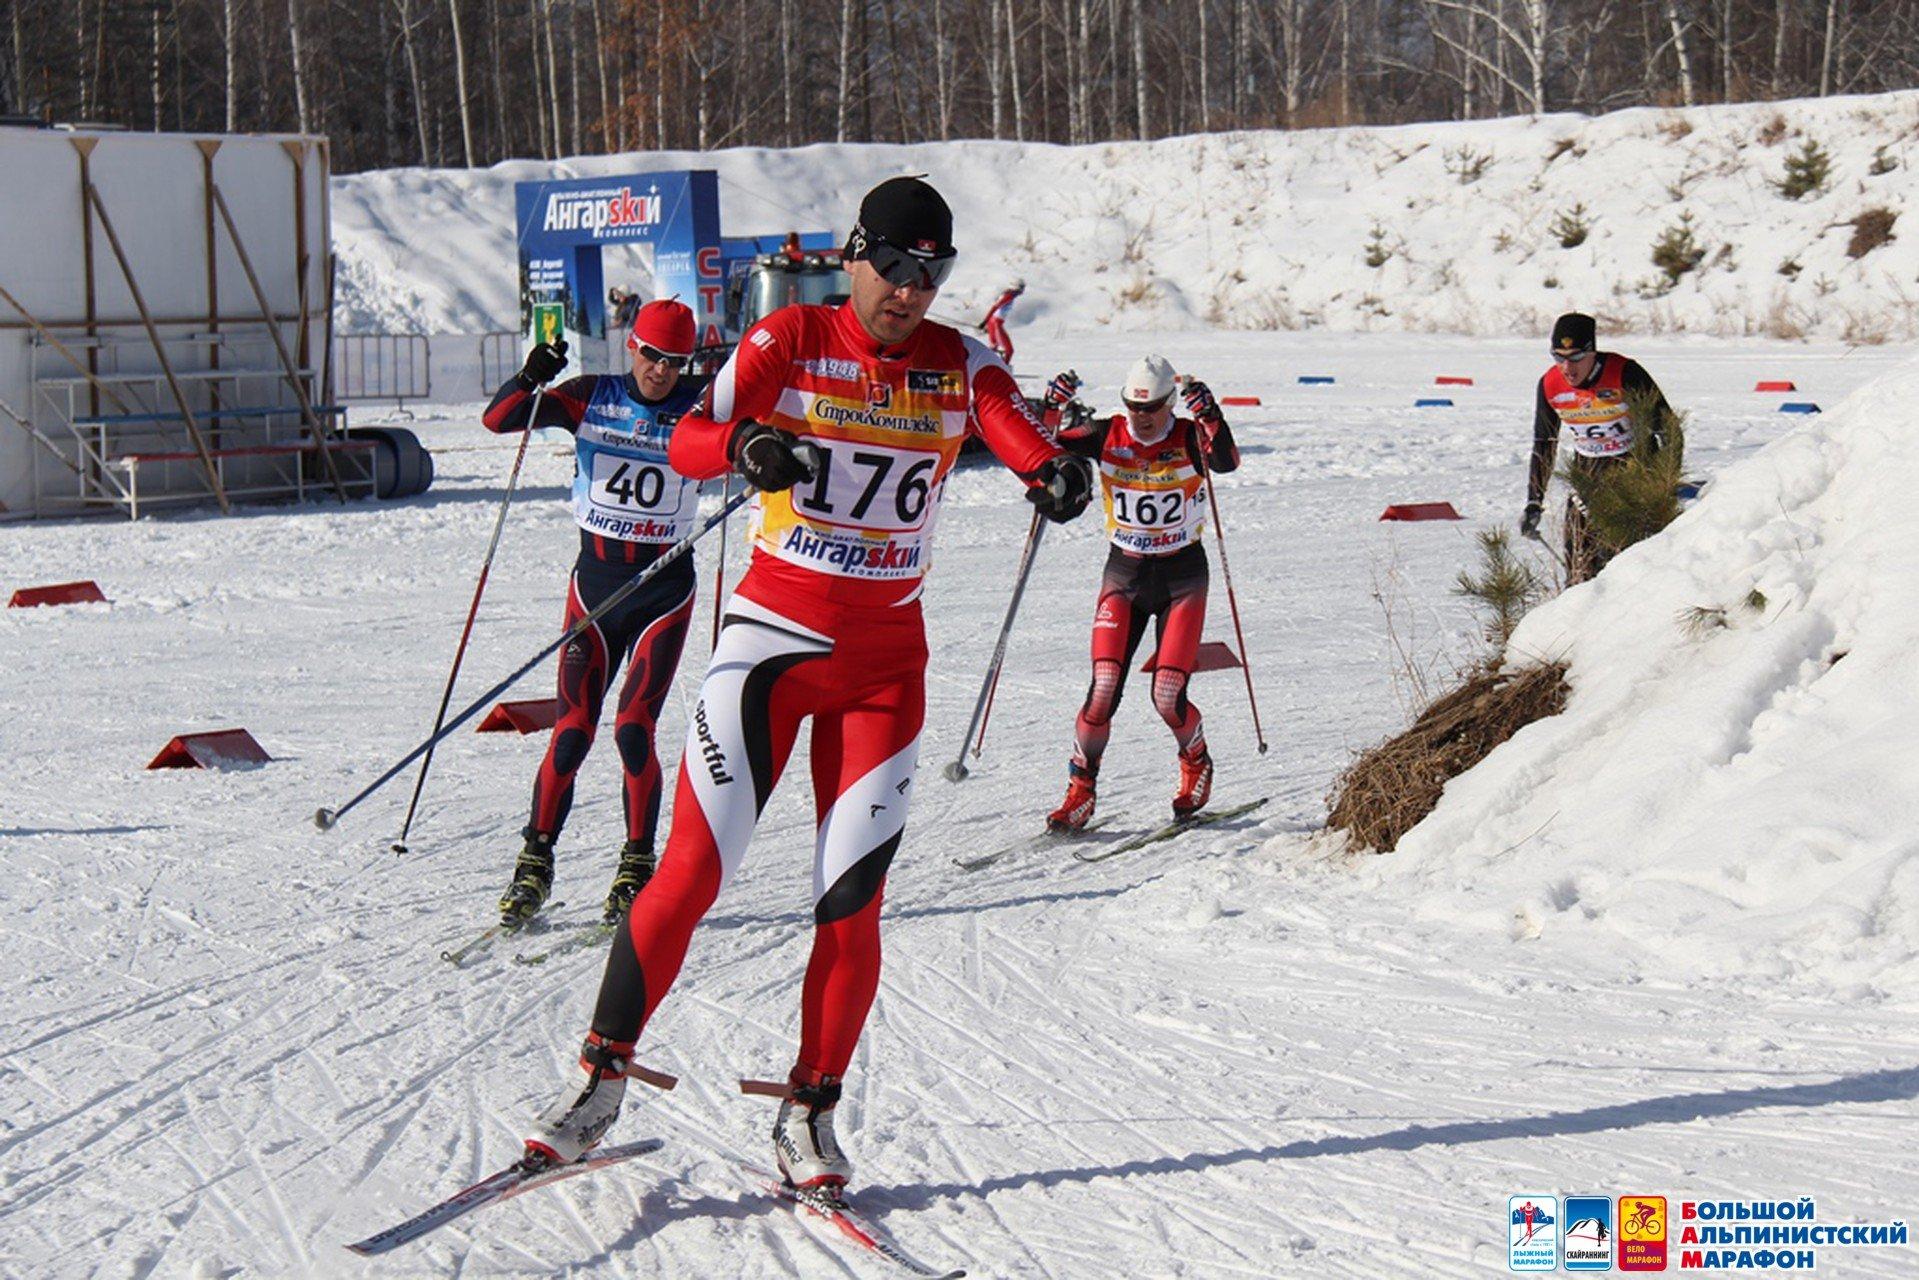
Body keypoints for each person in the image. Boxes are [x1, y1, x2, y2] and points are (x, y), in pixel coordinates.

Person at [522, 177, 1093, 1190]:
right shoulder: (790, 336)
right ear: (853, 255)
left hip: (883, 674)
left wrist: (1050, 471)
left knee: (852, 899)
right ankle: (597, 1078)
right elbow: (692, 438)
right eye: (897, 264)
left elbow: (1009, 423)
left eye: (934, 269)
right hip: (769, 650)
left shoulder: (958, 363)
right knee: (693, 870)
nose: (911, 289)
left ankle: (809, 1112)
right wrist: (743, 443)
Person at [481, 300, 707, 927]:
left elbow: (767, 427)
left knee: (633, 728)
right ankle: (534, 862)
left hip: (664, 592)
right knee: (572, 729)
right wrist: (532, 377)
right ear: (632, 347)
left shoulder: (703, 403)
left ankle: (637, 864)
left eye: (675, 361)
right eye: (653, 356)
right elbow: (498, 420)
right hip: (595, 591)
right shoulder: (590, 395)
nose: (662, 371)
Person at [1042, 356, 1239, 833]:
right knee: (1104, 686)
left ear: (1170, 402)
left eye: (1150, 407)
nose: (1140, 416)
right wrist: (1051, 407)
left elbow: (1226, 462)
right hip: (1126, 573)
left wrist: (1211, 415)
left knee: (1167, 694)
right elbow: (1041, 449)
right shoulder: (1105, 433)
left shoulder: (1190, 435)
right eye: (1132, 405)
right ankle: (1080, 792)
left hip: (1182, 577)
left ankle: (1196, 763)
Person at [1524, 312, 1678, 583]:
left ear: (1593, 353)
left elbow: (1669, 430)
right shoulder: (1550, 385)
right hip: (1588, 476)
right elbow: (1544, 444)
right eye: (1558, 357)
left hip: (1634, 472)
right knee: (1580, 573)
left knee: (1631, 570)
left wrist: (1664, 484)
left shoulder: (1625, 373)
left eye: (1575, 358)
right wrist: (1534, 501)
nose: (1567, 368)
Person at [981, 277, 1024, 362]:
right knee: (1009, 350)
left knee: (993, 348)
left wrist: (987, 323)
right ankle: (1004, 368)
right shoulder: (1009, 296)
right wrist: (985, 322)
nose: (1022, 290)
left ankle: (988, 364)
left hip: (993, 322)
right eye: (1021, 287)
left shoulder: (1008, 294)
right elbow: (995, 307)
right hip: (996, 323)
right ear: (1015, 287)